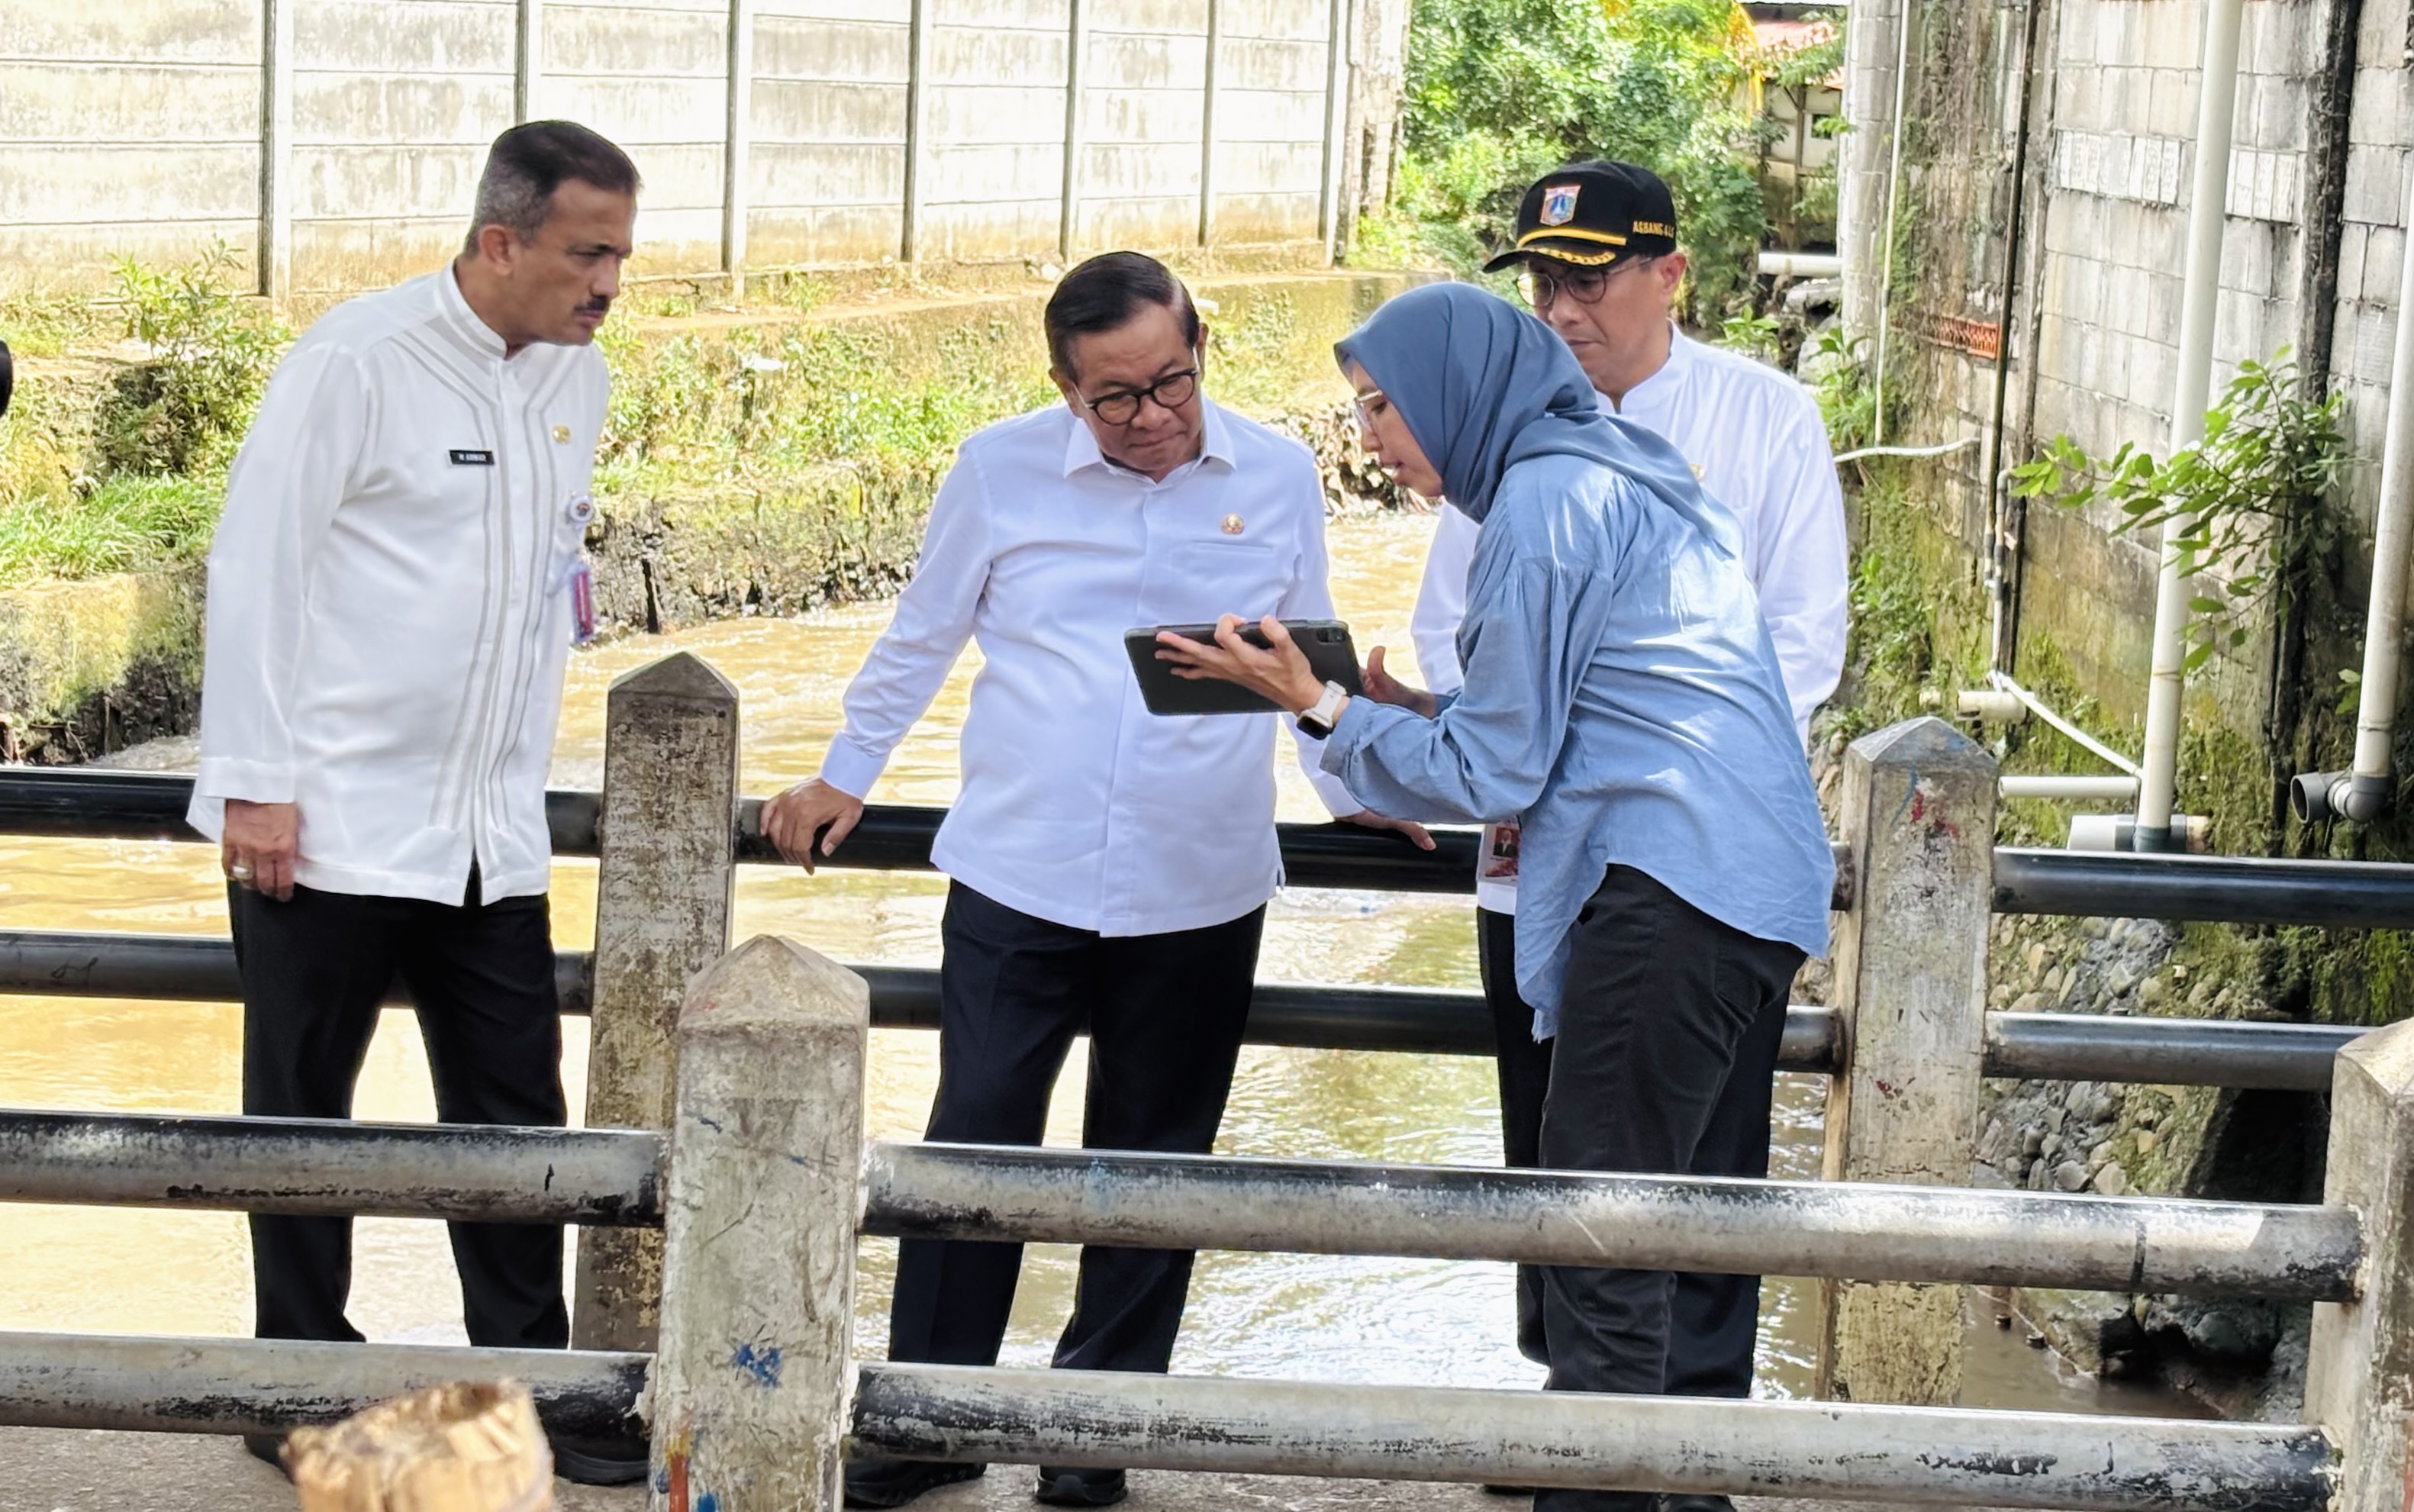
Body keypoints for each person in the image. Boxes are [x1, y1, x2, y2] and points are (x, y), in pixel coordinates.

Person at [761, 250, 1421, 1511]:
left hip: (1200, 879)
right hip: (1022, 871)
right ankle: (932, 1418)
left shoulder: (1278, 473)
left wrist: (1355, 789)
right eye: (1115, 397)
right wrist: (845, 772)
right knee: (974, 1145)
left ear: (1201, 347)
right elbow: (922, 633)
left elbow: (1305, 661)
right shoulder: (996, 469)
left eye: (1170, 381)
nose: (1152, 416)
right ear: (1066, 389)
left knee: (1157, 1165)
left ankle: (1094, 1429)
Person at [1159, 282, 1834, 1512]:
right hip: (1746, 879)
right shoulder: (1623, 466)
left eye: (1384, 405)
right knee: (1664, 1220)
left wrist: (1319, 705)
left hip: (1669, 878)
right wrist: (1412, 711)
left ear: (1457, 393)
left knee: (1597, 1225)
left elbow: (1500, 769)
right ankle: (1664, 1488)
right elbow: (1595, 700)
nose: (1371, 437)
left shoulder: (1542, 503)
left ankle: (1600, 1498)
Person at [186, 121, 643, 1485]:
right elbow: (255, 567)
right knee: (304, 1115)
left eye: (622, 254)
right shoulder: (356, 361)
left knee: (515, 1124)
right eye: (589, 252)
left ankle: (531, 1389)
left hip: (489, 831)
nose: (610, 282)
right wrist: (256, 785)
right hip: (325, 824)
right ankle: (298, 1381)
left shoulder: (576, 375)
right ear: (501, 241)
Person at [1412, 160, 1848, 1417]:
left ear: (1671, 276)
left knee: (1701, 1162)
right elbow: (1447, 632)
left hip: (1694, 869)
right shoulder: (1503, 433)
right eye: (1543, 283)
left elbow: (1802, 642)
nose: (1562, 309)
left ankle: (1691, 1442)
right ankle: (1576, 1418)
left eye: (1588, 280)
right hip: (1538, 864)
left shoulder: (1766, 420)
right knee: (1553, 1150)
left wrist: (1634, 755)